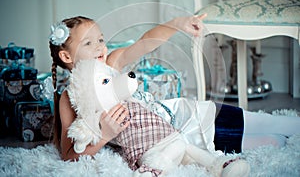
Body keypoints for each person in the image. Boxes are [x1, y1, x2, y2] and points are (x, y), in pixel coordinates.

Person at [48, 15, 299, 175]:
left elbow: (145, 42)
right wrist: (104, 135)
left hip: (181, 115)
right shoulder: (69, 98)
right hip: (176, 144)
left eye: (101, 39)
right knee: (275, 142)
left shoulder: (111, 64)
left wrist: (177, 24)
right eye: (89, 43)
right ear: (66, 56)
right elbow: (69, 155)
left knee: (284, 124)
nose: (100, 46)